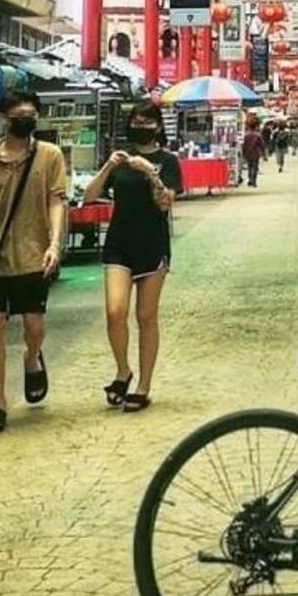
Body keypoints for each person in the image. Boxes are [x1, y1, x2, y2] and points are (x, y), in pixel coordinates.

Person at [0, 89, 68, 435]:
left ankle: (32, 356)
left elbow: (56, 202)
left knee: (33, 326)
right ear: (3, 119)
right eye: (17, 114)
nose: (24, 119)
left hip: (34, 254)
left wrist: (55, 243)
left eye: (30, 114)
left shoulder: (50, 156)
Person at [82, 100, 182, 412]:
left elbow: (166, 203)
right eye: (137, 120)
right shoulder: (120, 161)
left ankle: (144, 385)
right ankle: (123, 370)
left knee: (146, 316)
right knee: (115, 311)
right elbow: (88, 197)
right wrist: (109, 166)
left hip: (152, 244)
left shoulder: (168, 160)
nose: (141, 125)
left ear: (158, 126)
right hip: (118, 243)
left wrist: (149, 171)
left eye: (148, 121)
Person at [242, 123, 264, 189]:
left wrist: (244, 153)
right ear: (255, 127)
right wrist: (263, 153)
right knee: (254, 167)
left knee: (249, 167)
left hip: (248, 153)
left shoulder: (246, 135)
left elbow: (244, 145)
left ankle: (250, 180)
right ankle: (253, 181)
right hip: (255, 153)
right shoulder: (258, 135)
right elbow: (261, 144)